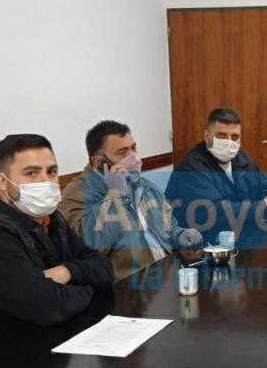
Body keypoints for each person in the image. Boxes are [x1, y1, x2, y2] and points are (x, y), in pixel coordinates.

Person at [0, 134, 114, 346]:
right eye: (31, 173)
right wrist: (88, 286)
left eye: (51, 171)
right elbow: (48, 307)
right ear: (2, 182)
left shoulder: (50, 217)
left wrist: (67, 271)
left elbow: (104, 268)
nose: (45, 181)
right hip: (4, 354)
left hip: (58, 337)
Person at [58, 120, 202, 281]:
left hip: (166, 274)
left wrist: (180, 235)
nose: (133, 157)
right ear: (98, 162)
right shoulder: (75, 195)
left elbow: (167, 227)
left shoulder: (144, 185)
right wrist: (116, 194)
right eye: (122, 152)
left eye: (133, 148)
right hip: (127, 287)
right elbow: (92, 245)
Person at [165, 108, 267, 240]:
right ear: (207, 136)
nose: (229, 142)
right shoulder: (190, 168)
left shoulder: (241, 157)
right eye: (221, 135)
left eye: (234, 137)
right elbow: (216, 212)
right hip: (198, 243)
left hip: (239, 235)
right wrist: (265, 208)